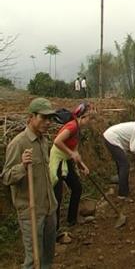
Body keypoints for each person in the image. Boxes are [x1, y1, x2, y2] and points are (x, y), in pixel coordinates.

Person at [1, 98, 58, 269]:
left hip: (49, 208)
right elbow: (6, 177)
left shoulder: (44, 141)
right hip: (31, 212)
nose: (47, 122)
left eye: (50, 119)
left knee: (48, 257)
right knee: (33, 260)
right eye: (43, 118)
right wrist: (22, 167)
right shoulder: (18, 144)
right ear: (31, 117)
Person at [49, 102, 92, 232]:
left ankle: (71, 220)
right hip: (57, 160)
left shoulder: (79, 130)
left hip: (66, 160)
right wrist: (71, 153)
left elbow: (75, 152)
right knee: (57, 195)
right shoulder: (72, 126)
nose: (90, 121)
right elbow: (57, 141)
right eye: (89, 118)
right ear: (82, 117)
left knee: (77, 188)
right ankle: (55, 230)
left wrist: (82, 165)